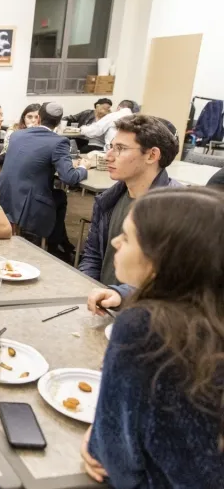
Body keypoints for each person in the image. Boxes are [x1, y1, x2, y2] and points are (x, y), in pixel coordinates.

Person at [80, 187, 224, 488]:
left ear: (162, 259)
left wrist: (96, 438)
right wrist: (122, 293)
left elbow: (111, 457)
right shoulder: (210, 310)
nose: (115, 242)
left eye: (128, 237)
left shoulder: (145, 328)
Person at [78, 115, 181, 284]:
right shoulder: (107, 201)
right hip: (104, 304)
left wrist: (120, 297)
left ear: (152, 155)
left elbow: (173, 282)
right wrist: (88, 290)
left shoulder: (177, 211)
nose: (108, 156)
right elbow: (93, 256)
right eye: (110, 147)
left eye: (121, 148)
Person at [0, 102, 94, 241]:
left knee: (58, 195)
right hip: (29, 202)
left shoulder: (17, 135)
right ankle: (54, 245)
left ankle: (58, 243)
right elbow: (69, 177)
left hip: (4, 196)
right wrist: (83, 167)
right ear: (59, 122)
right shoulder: (59, 142)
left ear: (39, 118)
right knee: (60, 197)